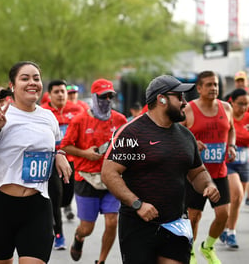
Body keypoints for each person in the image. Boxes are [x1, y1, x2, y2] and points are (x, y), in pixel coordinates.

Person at [101, 74, 220, 264]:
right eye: (179, 97)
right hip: (139, 226)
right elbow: (109, 173)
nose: (185, 103)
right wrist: (137, 203)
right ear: (161, 99)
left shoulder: (186, 136)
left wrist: (207, 185)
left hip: (176, 224)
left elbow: (197, 172)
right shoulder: (132, 132)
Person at [0, 61, 72, 264]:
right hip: (0, 207)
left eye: (36, 78)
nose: (32, 83)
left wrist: (59, 154)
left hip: (37, 205)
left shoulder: (48, 117)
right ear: (12, 85)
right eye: (25, 78)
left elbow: (55, 144)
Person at [60, 78, 127, 264]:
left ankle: (101, 260)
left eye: (110, 96)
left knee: (112, 221)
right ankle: (79, 238)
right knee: (87, 227)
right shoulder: (80, 120)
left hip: (112, 179)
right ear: (95, 97)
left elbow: (127, 145)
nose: (107, 100)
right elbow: (65, 146)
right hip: (86, 179)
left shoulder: (119, 119)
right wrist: (85, 154)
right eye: (103, 96)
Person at [182, 70, 236, 264]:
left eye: (215, 84)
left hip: (219, 172)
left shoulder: (226, 108)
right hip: (195, 175)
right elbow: (176, 134)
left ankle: (208, 246)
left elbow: (231, 130)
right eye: (209, 85)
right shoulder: (188, 110)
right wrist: (192, 143)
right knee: (194, 217)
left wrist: (231, 145)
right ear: (199, 88)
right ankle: (190, 252)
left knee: (224, 215)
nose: (213, 88)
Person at [41, 79, 84, 250]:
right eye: (56, 91)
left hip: (72, 160)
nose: (60, 94)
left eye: (62, 91)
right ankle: (58, 235)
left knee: (67, 197)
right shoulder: (43, 112)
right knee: (55, 195)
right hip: (51, 161)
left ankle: (55, 211)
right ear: (49, 95)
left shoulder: (78, 110)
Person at [219, 88, 249, 249]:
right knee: (236, 194)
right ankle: (231, 233)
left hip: (244, 163)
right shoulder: (227, 117)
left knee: (237, 201)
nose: (243, 107)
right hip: (228, 162)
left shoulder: (248, 118)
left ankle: (227, 229)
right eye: (240, 104)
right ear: (232, 102)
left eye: (246, 104)